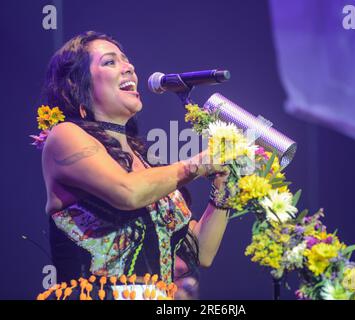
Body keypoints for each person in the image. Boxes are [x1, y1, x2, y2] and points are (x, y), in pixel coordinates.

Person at [36, 31, 232, 300]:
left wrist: (224, 186)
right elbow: (127, 192)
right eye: (110, 62)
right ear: (78, 86)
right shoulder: (65, 136)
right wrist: (198, 164)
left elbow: (201, 254)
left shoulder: (147, 163)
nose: (129, 67)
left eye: (126, 60)